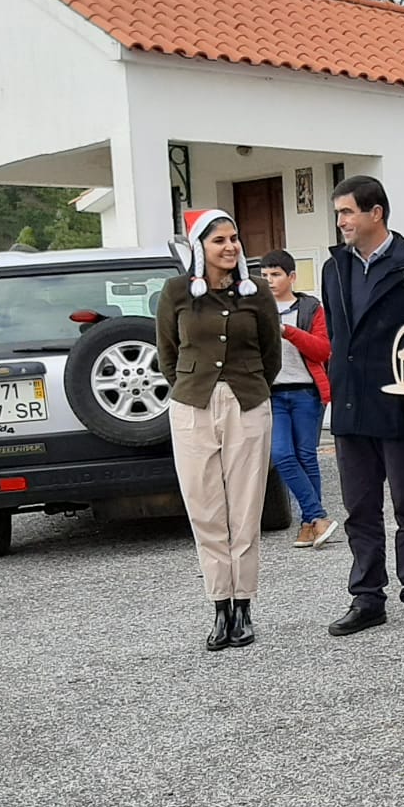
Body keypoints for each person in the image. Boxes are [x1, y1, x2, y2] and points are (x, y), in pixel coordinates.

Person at [319, 175, 404, 637]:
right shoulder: (334, 268)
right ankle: (367, 598)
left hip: (400, 409)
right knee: (359, 510)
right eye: (338, 213)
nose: (341, 222)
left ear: (375, 213)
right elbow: (337, 336)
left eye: (347, 212)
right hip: (350, 409)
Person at [156, 209, 282, 652]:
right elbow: (167, 353)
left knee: (245, 508)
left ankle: (243, 604)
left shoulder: (256, 291)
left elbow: (271, 353)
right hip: (192, 404)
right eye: (219, 240)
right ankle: (219, 606)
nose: (230, 247)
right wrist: (192, 386)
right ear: (199, 247)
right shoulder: (177, 291)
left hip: (247, 402)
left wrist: (250, 386)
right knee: (204, 509)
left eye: (234, 238)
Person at [259, 249, 338, 550]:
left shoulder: (309, 307)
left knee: (306, 456)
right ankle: (317, 516)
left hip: (306, 391)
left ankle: (308, 525)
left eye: (276, 274)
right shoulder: (256, 308)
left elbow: (322, 350)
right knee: (281, 454)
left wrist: (287, 331)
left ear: (291, 277)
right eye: (264, 276)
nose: (269, 281)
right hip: (273, 394)